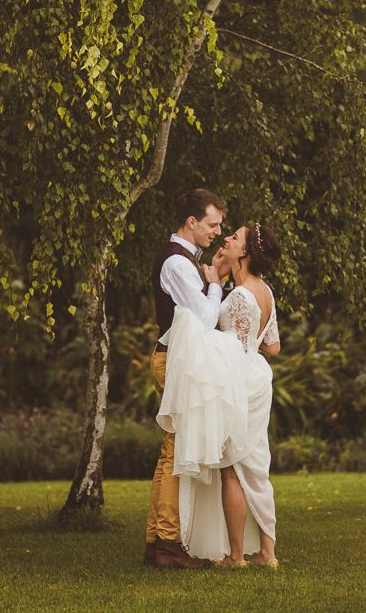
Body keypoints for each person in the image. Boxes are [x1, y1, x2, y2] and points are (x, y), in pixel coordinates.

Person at [157, 221, 282, 568]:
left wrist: (215, 286)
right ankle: (268, 553)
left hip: (236, 382)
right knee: (256, 467)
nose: (226, 238)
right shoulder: (265, 291)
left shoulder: (240, 296)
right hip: (259, 378)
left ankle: (238, 556)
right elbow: (271, 346)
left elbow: (225, 338)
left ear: (245, 251)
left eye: (234, 237)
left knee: (232, 471)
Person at [144, 188, 227, 569]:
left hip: (174, 359)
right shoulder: (177, 264)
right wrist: (215, 284)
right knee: (175, 453)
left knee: (169, 452)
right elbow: (206, 317)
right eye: (212, 224)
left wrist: (211, 276)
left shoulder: (186, 260)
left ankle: (157, 541)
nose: (217, 232)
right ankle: (167, 542)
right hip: (173, 361)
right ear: (192, 222)